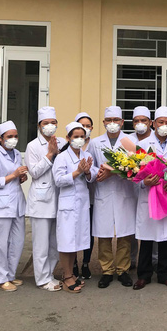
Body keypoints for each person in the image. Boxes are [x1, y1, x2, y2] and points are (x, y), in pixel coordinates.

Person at [133, 106, 167, 290]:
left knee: (166, 238)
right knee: (147, 237)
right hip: (149, 193)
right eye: (161, 122)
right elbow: (135, 173)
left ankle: (165, 274)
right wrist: (144, 182)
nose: (164, 126)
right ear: (153, 124)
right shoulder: (144, 144)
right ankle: (143, 275)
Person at [89, 106, 135, 289]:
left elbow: (136, 166)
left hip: (125, 192)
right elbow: (91, 165)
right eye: (109, 120)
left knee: (124, 234)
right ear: (103, 123)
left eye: (116, 120)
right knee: (104, 234)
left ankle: (123, 270)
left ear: (122, 122)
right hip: (104, 192)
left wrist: (115, 171)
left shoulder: (129, 141)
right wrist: (99, 173)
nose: (112, 123)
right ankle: (107, 271)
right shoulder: (95, 142)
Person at [0, 121, 28, 292]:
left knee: (17, 241)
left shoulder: (16, 153)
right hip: (0, 206)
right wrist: (13, 175)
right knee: (0, 244)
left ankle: (10, 274)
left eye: (15, 136)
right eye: (9, 136)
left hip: (16, 203)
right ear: (0, 138)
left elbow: (14, 177)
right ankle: (0, 278)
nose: (13, 139)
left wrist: (20, 178)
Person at [52, 122, 98, 293]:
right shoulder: (62, 157)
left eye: (82, 136)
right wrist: (77, 172)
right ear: (68, 138)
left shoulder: (87, 155)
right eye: (75, 136)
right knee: (67, 242)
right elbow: (58, 180)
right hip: (68, 204)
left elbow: (93, 176)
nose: (79, 139)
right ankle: (66, 276)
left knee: (76, 242)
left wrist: (87, 172)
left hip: (82, 204)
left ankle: (71, 274)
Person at [24, 107, 64, 292]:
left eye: (53, 123)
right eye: (46, 123)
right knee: (41, 244)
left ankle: (50, 274)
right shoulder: (32, 146)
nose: (50, 126)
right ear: (39, 126)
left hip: (59, 198)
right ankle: (42, 279)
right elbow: (34, 172)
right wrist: (50, 154)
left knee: (55, 243)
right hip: (41, 200)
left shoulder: (62, 142)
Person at [127, 105, 154, 269]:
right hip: (131, 190)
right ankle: (131, 260)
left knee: (152, 225)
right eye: (136, 121)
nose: (140, 124)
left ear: (150, 122)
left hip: (151, 189)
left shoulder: (155, 140)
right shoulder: (127, 140)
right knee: (131, 226)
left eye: (143, 120)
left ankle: (154, 260)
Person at [73, 112, 95, 279]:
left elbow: (98, 168)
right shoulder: (68, 147)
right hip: (73, 195)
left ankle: (86, 263)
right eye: (82, 125)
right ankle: (73, 263)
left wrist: (89, 172)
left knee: (89, 231)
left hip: (92, 194)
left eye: (88, 126)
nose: (85, 129)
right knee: (73, 230)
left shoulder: (95, 145)